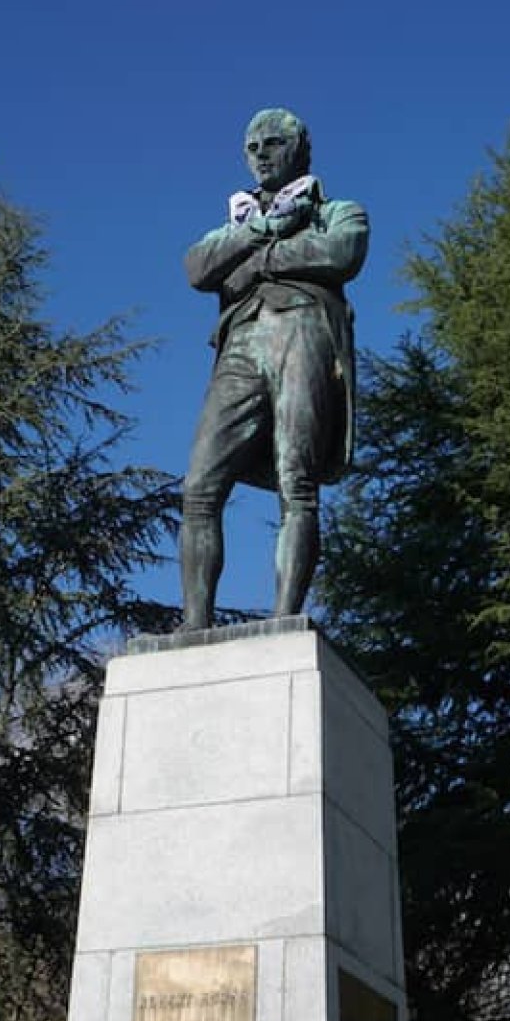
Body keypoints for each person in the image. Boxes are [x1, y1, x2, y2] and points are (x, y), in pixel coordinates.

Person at [180, 108, 369, 631]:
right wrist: (263, 232)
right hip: (240, 343)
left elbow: (342, 252)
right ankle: (193, 625)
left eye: (273, 142)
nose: (260, 152)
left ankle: (285, 618)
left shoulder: (341, 210)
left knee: (297, 482)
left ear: (300, 150)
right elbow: (197, 267)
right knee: (199, 487)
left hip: (304, 329)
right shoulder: (238, 223)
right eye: (252, 146)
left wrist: (258, 260)